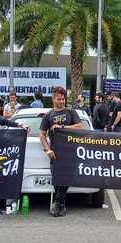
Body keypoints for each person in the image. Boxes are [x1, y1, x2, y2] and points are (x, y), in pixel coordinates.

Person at [39, 86, 83, 217]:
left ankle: (58, 204)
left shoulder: (71, 112)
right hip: (55, 152)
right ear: (53, 99)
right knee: (56, 179)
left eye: (63, 99)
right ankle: (61, 205)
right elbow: (42, 135)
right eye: (59, 99)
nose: (62, 101)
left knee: (66, 178)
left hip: (70, 151)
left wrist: (63, 127)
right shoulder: (48, 116)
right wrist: (47, 149)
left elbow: (80, 127)